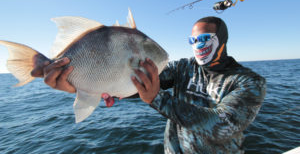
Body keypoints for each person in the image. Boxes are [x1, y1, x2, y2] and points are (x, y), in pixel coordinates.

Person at [31, 16, 266, 154]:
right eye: (193, 40)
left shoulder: (249, 82)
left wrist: (156, 98)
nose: (198, 45)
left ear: (222, 40)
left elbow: (221, 127)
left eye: (205, 39)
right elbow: (146, 82)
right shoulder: (185, 67)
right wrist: (87, 84)